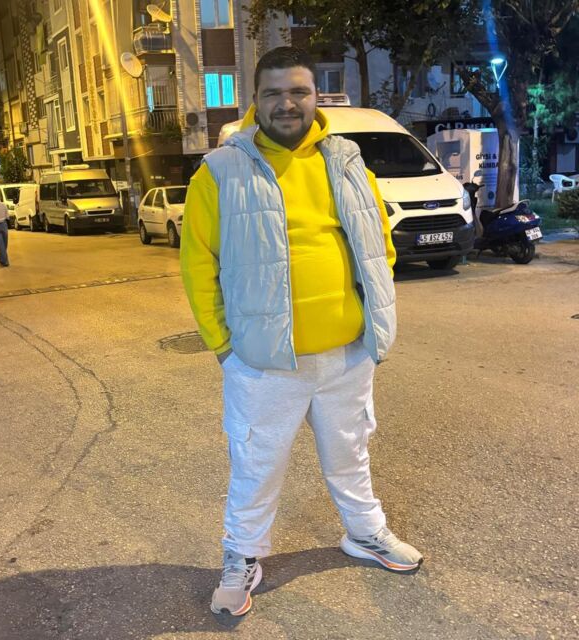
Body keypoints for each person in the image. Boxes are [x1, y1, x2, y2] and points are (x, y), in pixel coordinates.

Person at [180, 46, 423, 617]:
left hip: (347, 353)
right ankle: (243, 556)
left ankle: (364, 532)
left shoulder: (347, 159)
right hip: (265, 363)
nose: (286, 104)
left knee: (350, 453)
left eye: (298, 91)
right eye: (273, 93)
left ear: (317, 97)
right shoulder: (220, 171)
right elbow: (197, 265)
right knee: (256, 464)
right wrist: (224, 347)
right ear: (255, 99)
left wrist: (374, 316)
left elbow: (377, 242)